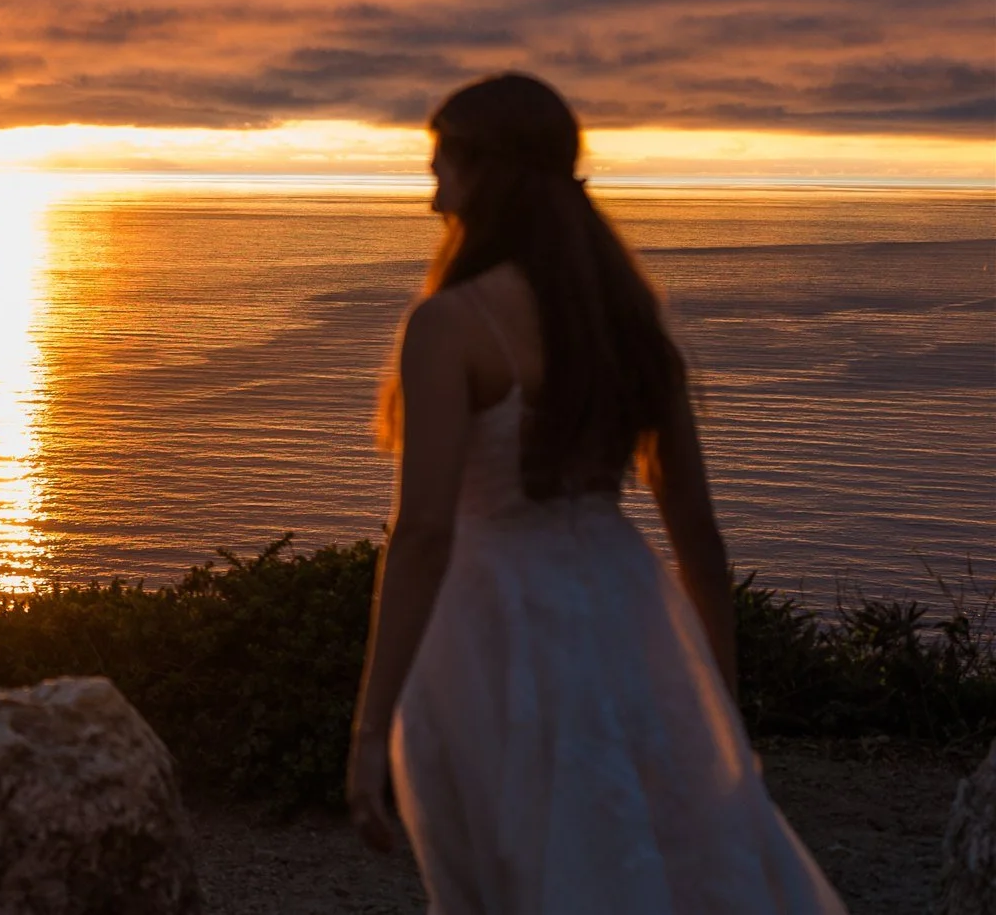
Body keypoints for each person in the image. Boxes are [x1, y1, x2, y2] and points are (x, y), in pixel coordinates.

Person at [346, 73, 844, 913]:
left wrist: (368, 728)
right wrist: (717, 715)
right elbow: (702, 544)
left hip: (490, 632)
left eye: (443, 171)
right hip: (629, 617)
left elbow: (424, 531)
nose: (432, 199)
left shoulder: (450, 325)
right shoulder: (632, 330)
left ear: (486, 174)